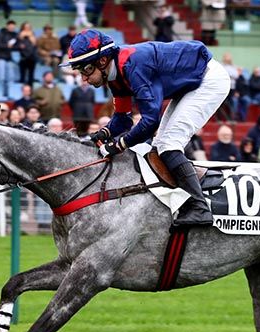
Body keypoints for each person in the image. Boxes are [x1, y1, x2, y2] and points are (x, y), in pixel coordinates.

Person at [61, 30, 230, 226]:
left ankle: (200, 208)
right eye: (80, 71)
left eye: (86, 70)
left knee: (168, 145)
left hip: (208, 80)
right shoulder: (115, 74)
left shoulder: (133, 66)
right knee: (159, 146)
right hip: (190, 82)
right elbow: (123, 120)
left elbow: (150, 122)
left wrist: (118, 146)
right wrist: (101, 135)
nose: (84, 78)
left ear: (102, 61)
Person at [0, 20, 18, 98]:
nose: (12, 28)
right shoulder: (1, 33)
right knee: (1, 76)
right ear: (7, 26)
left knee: (11, 77)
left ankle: (10, 93)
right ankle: (1, 94)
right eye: (11, 26)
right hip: (1, 57)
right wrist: (6, 45)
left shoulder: (15, 35)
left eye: (13, 27)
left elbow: (16, 46)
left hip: (9, 58)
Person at [16, 22, 37, 87]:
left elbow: (35, 44)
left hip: (32, 56)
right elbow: (17, 44)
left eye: (28, 27)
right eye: (26, 27)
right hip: (23, 56)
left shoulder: (32, 34)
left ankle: (30, 88)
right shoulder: (19, 34)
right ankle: (22, 85)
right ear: (23, 27)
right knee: (23, 74)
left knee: (31, 75)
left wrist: (30, 36)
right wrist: (21, 38)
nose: (27, 28)